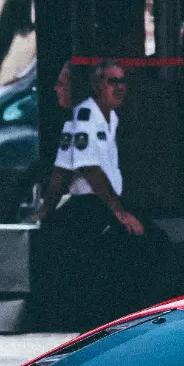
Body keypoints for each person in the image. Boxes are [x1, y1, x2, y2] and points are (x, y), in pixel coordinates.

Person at [40, 61, 145, 241]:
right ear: (97, 86)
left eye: (122, 81)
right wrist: (120, 213)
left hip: (109, 203)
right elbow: (87, 169)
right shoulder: (84, 116)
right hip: (92, 205)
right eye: (112, 82)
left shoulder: (111, 116)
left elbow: (61, 169)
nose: (120, 87)